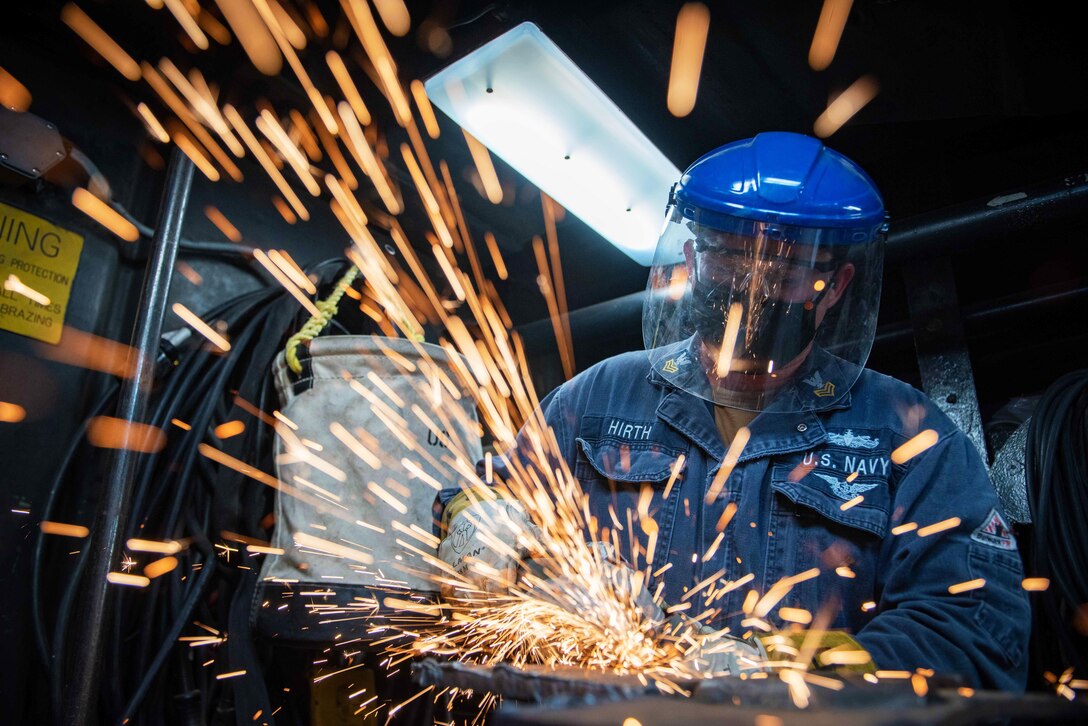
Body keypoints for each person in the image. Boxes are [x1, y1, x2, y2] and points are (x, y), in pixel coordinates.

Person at [437, 131, 1030, 689]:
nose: (753, 285)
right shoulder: (596, 400)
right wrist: (477, 519)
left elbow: (974, 636)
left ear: (838, 284)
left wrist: (794, 674)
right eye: (729, 256)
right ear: (693, 259)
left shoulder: (909, 437)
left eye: (788, 266)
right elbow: (494, 502)